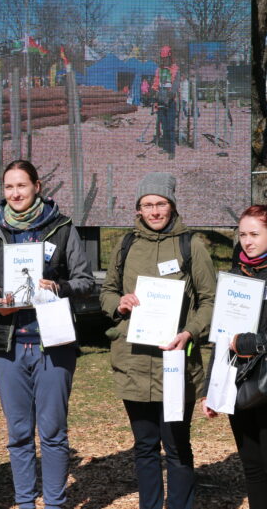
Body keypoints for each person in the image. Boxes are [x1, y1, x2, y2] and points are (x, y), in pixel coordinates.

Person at [0, 160, 95, 509]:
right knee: (19, 434)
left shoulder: (62, 228)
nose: (15, 193)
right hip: (8, 346)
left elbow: (85, 281)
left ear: (37, 187)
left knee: (54, 433)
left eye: (21, 186)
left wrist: (59, 286)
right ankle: (25, 502)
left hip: (53, 344)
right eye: (9, 187)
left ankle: (55, 503)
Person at [100, 172, 216, 509]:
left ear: (172, 205)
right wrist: (118, 304)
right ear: (138, 209)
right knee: (145, 445)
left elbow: (209, 300)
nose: (154, 211)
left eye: (160, 204)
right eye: (147, 205)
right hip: (133, 362)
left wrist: (190, 332)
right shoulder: (125, 245)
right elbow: (107, 292)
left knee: (177, 446)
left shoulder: (191, 246)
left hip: (175, 363)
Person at [202, 204, 267, 509]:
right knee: (251, 467)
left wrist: (253, 342)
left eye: (255, 234)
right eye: (242, 234)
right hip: (237, 383)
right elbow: (221, 336)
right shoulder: (235, 276)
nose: (247, 241)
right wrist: (211, 389)